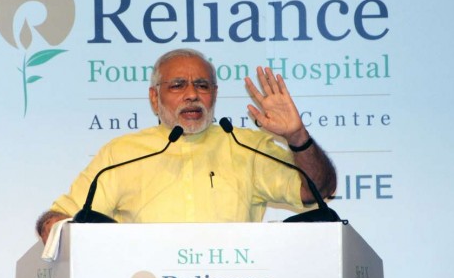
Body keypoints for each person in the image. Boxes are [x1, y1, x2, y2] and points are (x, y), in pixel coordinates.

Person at [36, 48, 337, 243]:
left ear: (214, 95)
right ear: (154, 98)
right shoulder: (122, 153)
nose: (192, 94)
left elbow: (317, 190)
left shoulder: (248, 146)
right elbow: (57, 220)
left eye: (202, 86)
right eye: (178, 85)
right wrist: (61, 232)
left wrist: (298, 136)